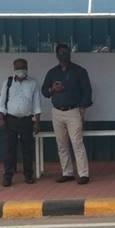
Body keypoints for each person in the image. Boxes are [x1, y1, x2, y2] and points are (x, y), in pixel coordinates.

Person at [41, 43, 92, 184]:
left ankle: (83, 174)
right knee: (62, 144)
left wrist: (83, 109)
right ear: (56, 55)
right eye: (61, 52)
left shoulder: (79, 71)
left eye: (66, 52)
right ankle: (67, 172)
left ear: (70, 53)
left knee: (77, 143)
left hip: (73, 111)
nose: (64, 54)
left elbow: (87, 91)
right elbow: (44, 91)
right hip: (57, 112)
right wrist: (53, 89)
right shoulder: (52, 72)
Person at [0, 58, 41, 187]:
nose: (21, 70)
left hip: (27, 120)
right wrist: (1, 119)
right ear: (14, 69)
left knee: (27, 149)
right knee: (10, 149)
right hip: (10, 120)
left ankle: (28, 175)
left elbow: (37, 104)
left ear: (27, 68)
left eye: (23, 67)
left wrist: (37, 122)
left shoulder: (33, 83)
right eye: (18, 68)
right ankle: (8, 176)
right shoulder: (8, 83)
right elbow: (2, 103)